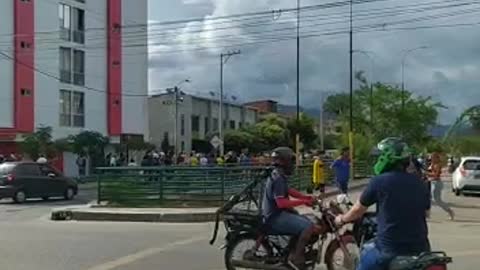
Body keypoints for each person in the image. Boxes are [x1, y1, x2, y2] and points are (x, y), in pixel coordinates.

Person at [334, 138, 431, 270]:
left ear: (386, 158)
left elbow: (358, 210)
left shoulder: (379, 181)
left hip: (389, 250)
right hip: (421, 250)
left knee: (364, 259)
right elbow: (426, 213)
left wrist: (341, 219)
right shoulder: (420, 183)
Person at [261, 147, 318, 270]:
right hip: (275, 217)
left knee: (300, 218)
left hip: (276, 213)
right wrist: (303, 201)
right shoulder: (278, 178)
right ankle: (296, 259)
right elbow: (282, 203)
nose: (292, 164)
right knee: (308, 226)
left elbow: (289, 191)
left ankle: (291, 250)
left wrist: (306, 198)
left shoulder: (278, 174)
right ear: (284, 161)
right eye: (291, 160)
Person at [428, 152, 454, 220]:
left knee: (438, 200)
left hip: (437, 183)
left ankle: (450, 211)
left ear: (436, 158)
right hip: (433, 182)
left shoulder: (438, 165)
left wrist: (426, 173)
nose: (431, 159)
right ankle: (427, 213)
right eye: (431, 158)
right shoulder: (432, 164)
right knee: (429, 198)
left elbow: (436, 175)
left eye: (433, 157)